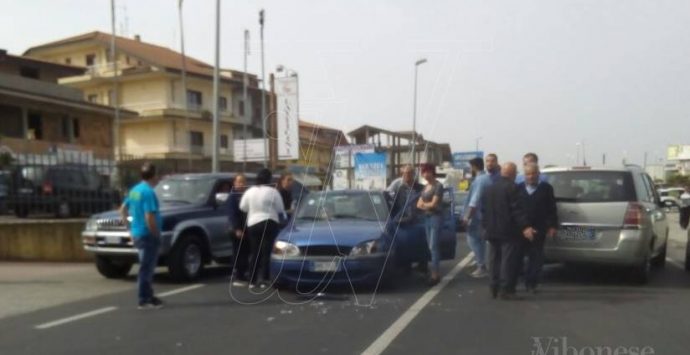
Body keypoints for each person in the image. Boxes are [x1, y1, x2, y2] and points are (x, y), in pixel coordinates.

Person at [482, 162, 536, 300]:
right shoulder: (513, 188)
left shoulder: (489, 188)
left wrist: (485, 226)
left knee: (494, 259)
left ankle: (493, 286)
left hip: (492, 229)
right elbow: (516, 209)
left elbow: (484, 210)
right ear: (513, 173)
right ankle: (506, 289)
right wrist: (525, 226)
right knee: (507, 260)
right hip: (508, 230)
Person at [120, 163, 164, 310]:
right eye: (157, 174)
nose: (158, 178)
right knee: (147, 268)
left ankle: (148, 295)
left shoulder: (135, 190)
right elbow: (149, 216)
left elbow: (122, 209)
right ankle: (144, 299)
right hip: (147, 235)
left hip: (138, 233)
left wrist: (130, 229)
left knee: (146, 266)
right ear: (153, 176)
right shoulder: (148, 192)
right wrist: (156, 233)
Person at [240, 168, 285, 289]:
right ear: (269, 179)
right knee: (267, 252)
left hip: (253, 223)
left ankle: (252, 280)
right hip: (269, 222)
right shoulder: (273, 192)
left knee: (255, 252)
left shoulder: (250, 191)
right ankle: (264, 279)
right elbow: (280, 208)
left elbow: (243, 207)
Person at [517, 163, 558, 293]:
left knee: (536, 258)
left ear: (538, 174)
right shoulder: (517, 189)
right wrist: (524, 226)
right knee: (517, 257)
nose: (530, 177)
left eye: (533, 174)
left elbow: (552, 208)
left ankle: (532, 283)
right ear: (524, 175)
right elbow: (515, 210)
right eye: (528, 174)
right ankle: (516, 282)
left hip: (539, 229)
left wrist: (552, 226)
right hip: (520, 229)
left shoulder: (546, 188)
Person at [463, 157, 492, 278]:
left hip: (477, 216)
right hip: (484, 215)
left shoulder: (480, 180)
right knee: (481, 241)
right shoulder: (486, 178)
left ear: (474, 167)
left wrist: (467, 217)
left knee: (473, 240)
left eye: (471, 167)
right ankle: (480, 260)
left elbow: (474, 200)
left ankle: (481, 265)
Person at [416, 163, 445, 286]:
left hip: (435, 217)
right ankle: (434, 271)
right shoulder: (425, 187)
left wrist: (424, 205)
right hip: (426, 217)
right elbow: (418, 204)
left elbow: (434, 204)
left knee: (433, 246)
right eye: (423, 172)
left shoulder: (438, 186)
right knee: (430, 246)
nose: (425, 174)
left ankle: (435, 274)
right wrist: (425, 205)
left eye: (427, 171)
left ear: (432, 172)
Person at [228, 174, 250, 287]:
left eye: (243, 182)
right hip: (237, 229)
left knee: (245, 252)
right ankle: (237, 275)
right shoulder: (233, 196)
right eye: (239, 182)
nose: (241, 184)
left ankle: (243, 273)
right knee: (238, 252)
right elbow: (232, 215)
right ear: (234, 183)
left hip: (247, 228)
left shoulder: (246, 195)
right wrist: (237, 229)